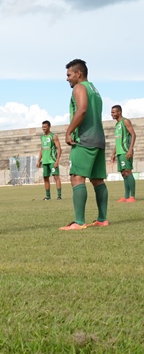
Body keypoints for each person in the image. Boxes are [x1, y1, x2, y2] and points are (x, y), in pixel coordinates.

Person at [60, 59, 108, 230]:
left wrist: (68, 131)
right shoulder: (94, 89)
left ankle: (79, 222)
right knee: (97, 180)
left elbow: (82, 109)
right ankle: (102, 219)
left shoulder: (80, 88)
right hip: (99, 139)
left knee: (76, 178)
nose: (67, 79)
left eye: (69, 75)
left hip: (85, 139)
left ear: (78, 73)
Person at [110, 105, 137, 202]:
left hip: (126, 151)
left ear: (119, 112)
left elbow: (133, 134)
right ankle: (126, 196)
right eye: (111, 112)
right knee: (124, 173)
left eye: (114, 112)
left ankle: (132, 196)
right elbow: (117, 140)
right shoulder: (117, 125)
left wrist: (130, 150)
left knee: (128, 171)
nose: (112, 114)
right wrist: (113, 153)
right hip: (119, 152)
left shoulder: (125, 121)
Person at [36, 121, 62, 200]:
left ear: (49, 127)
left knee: (56, 177)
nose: (43, 128)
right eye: (43, 127)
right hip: (45, 161)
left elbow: (59, 148)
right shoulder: (42, 137)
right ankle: (48, 196)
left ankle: (59, 196)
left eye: (45, 127)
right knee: (45, 178)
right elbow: (42, 149)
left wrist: (57, 161)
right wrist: (39, 160)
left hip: (52, 161)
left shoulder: (53, 136)